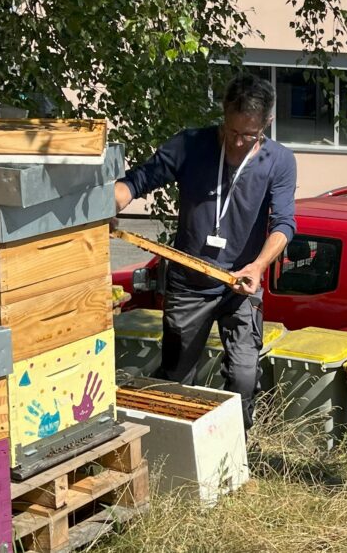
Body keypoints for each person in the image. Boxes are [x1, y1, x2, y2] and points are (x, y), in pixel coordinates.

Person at [114, 72, 297, 430]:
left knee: (245, 376)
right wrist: (108, 206)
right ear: (223, 115)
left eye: (249, 135)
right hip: (188, 284)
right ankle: (168, 442)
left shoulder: (280, 161)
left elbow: (284, 224)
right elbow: (136, 181)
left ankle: (236, 451)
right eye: (231, 132)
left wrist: (258, 266)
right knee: (176, 375)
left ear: (267, 124)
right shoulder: (190, 145)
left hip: (240, 286)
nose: (239, 142)